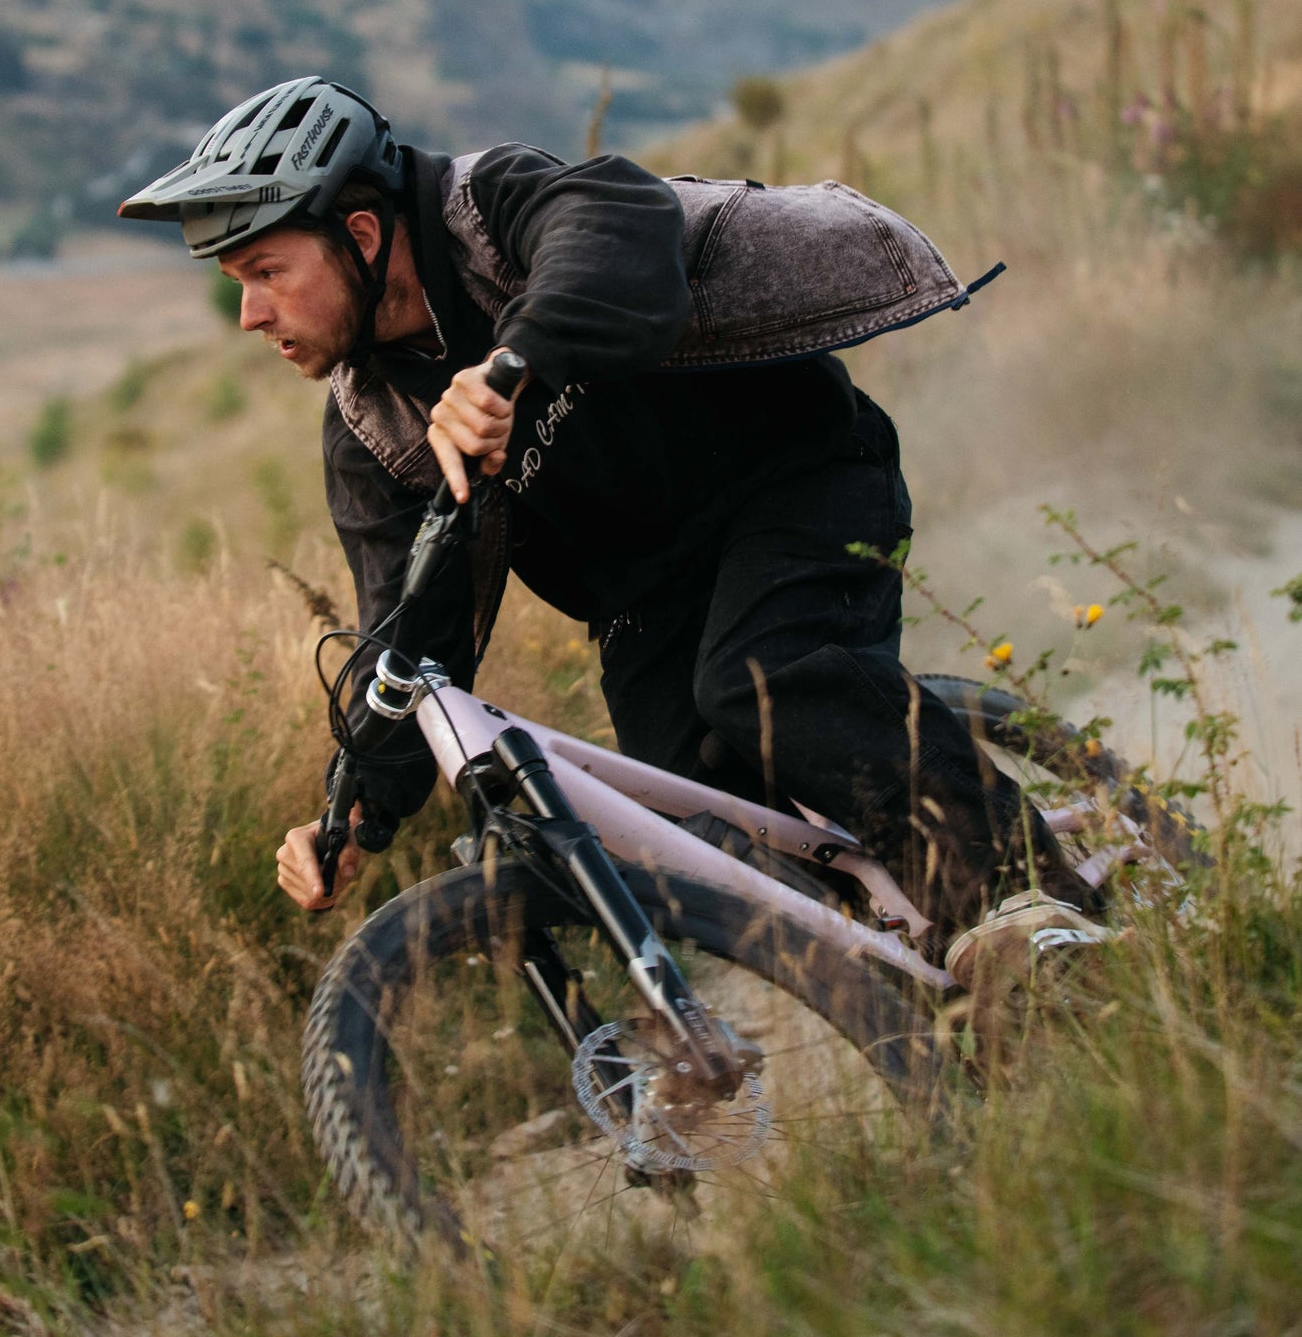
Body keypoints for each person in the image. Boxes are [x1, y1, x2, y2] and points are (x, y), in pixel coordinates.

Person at [119, 76, 1108, 982]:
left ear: (366, 233)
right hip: (648, 601)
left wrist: (512, 365)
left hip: (793, 479)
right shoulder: (372, 427)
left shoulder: (489, 206)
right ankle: (932, 988)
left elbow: (623, 233)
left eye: (263, 270)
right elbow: (409, 629)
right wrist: (355, 811)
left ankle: (1029, 898)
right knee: (693, 828)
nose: (249, 313)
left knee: (763, 678)